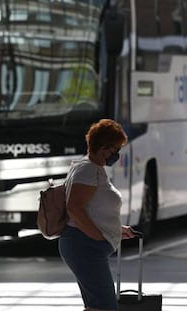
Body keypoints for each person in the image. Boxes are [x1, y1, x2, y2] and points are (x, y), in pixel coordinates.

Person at [59, 119, 136, 311]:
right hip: (85, 246)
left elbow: (93, 208)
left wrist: (114, 229)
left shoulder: (90, 168)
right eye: (115, 150)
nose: (116, 155)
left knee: (96, 305)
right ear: (103, 147)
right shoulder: (88, 170)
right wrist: (97, 236)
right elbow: (74, 208)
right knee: (105, 305)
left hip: (84, 246)